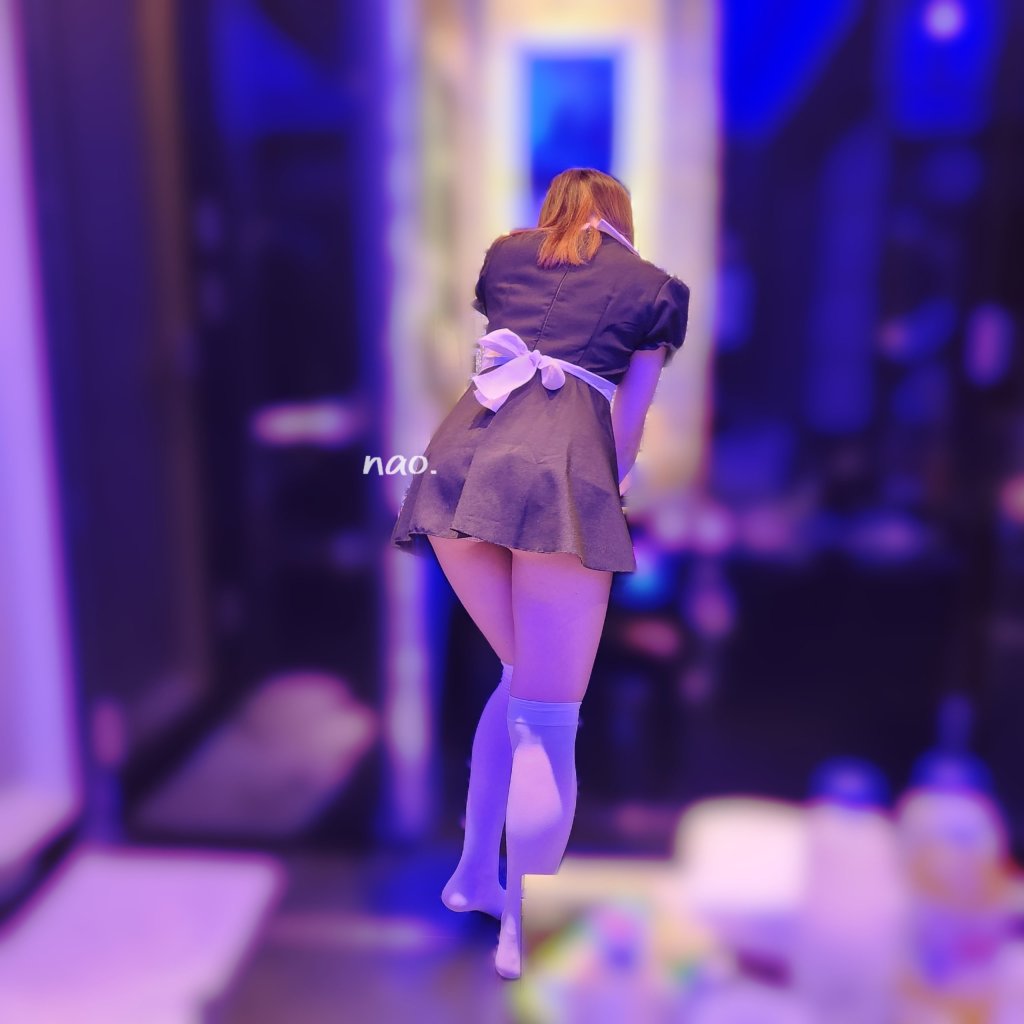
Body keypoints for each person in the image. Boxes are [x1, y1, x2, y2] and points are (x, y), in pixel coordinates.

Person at [391, 167, 691, 979]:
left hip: (457, 471)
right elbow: (629, 421)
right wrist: (609, 492)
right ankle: (521, 929)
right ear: (621, 217)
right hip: (557, 485)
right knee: (549, 724)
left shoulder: (506, 257)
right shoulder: (655, 289)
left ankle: (472, 876)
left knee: (520, 678)